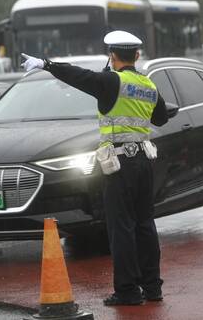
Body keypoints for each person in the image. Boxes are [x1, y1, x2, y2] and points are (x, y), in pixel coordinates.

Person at [21, 31, 173, 306]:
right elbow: (161, 118)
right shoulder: (149, 84)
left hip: (119, 164)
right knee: (144, 225)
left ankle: (127, 291)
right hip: (143, 161)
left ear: (112, 56)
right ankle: (152, 287)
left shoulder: (110, 80)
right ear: (137, 55)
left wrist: (46, 64)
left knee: (121, 228)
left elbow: (78, 76)